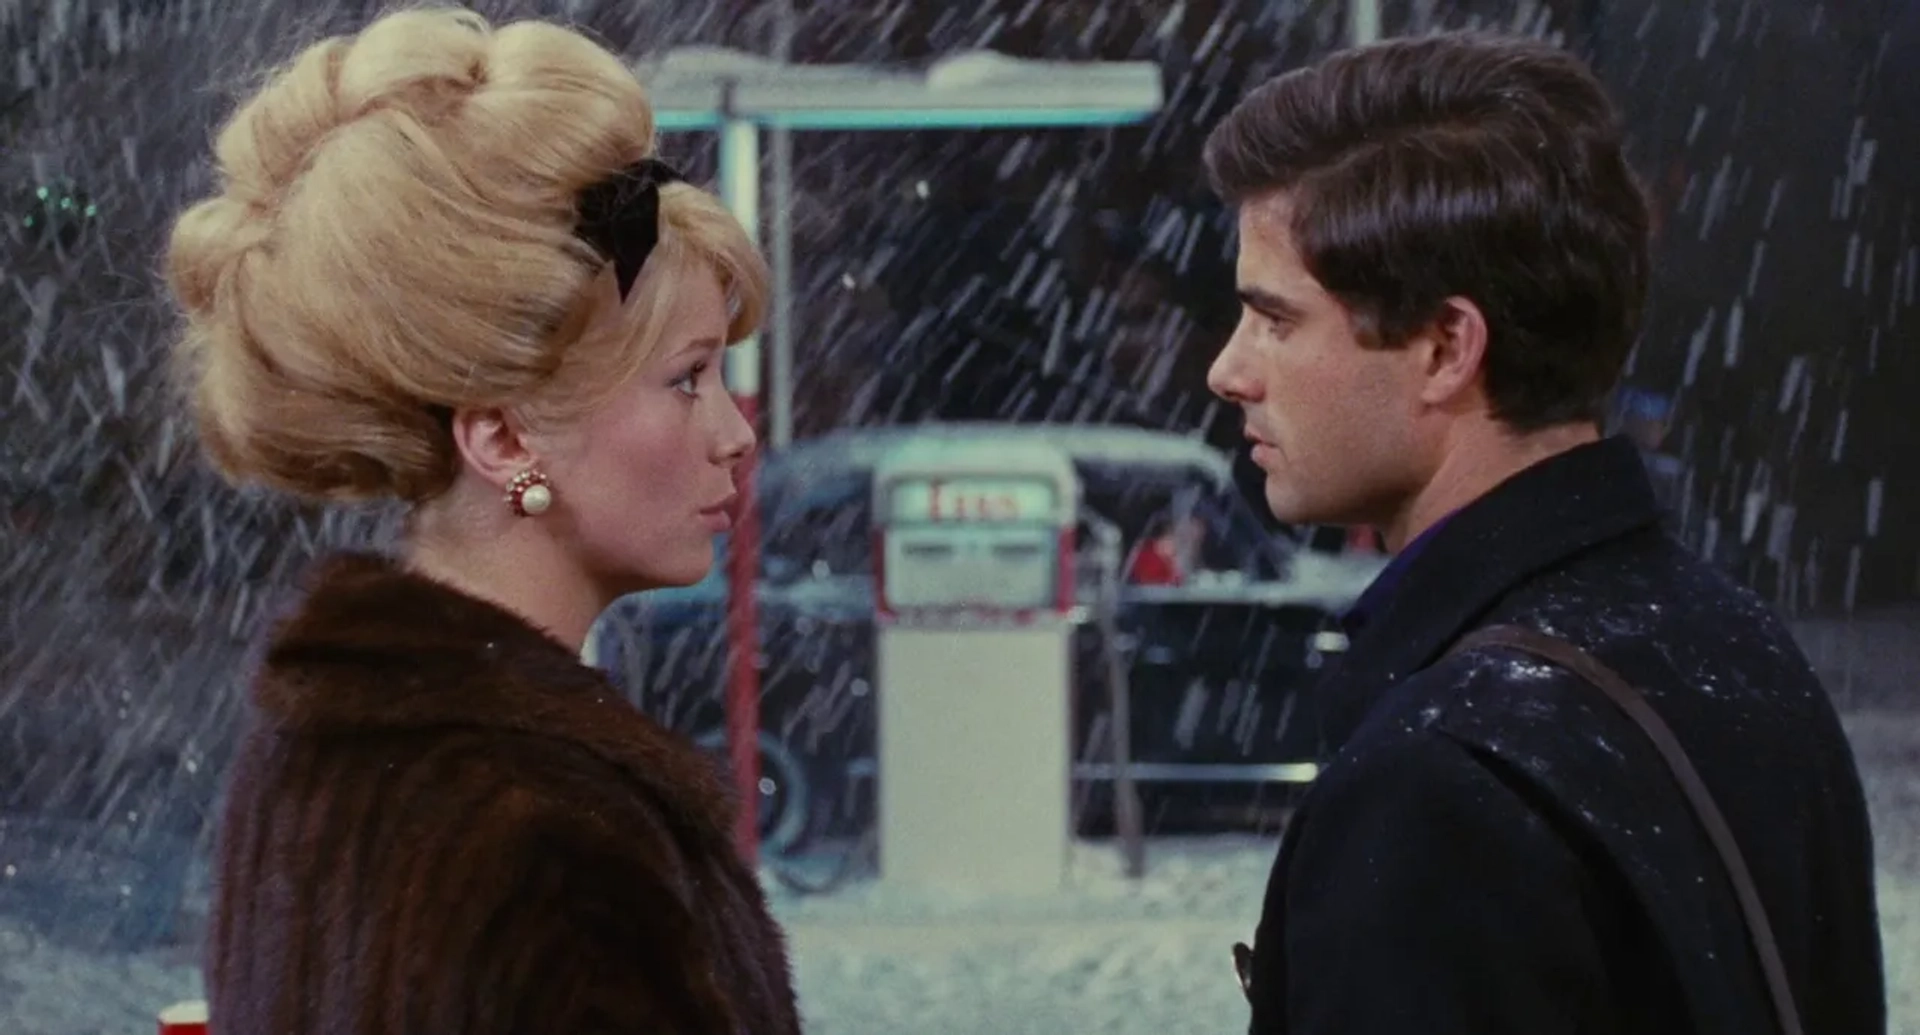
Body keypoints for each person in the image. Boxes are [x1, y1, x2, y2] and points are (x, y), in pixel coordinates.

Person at [1202, 32, 1883, 1035]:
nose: (1230, 369)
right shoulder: (1733, 642)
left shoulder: (1440, 782)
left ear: (1444, 347)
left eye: (1275, 319)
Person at [163, 9, 799, 1033]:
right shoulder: (554, 843)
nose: (735, 435)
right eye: (687, 380)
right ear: (503, 440)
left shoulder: (322, 758)